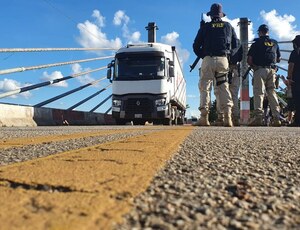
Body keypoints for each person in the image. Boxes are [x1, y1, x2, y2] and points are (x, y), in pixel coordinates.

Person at [193, 3, 238, 127]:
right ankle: (227, 117)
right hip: (223, 59)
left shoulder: (205, 27)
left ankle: (204, 117)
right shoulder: (228, 26)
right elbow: (236, 44)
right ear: (221, 15)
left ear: (211, 15)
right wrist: (229, 55)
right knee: (223, 86)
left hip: (208, 59)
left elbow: (196, 45)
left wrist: (204, 55)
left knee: (205, 87)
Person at [247, 24, 281, 126]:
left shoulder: (256, 43)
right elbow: (278, 59)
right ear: (268, 32)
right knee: (272, 93)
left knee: (259, 93)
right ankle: (277, 118)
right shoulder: (274, 43)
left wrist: (254, 67)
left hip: (260, 70)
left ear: (260, 32)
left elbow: (249, 60)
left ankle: (258, 118)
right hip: (272, 70)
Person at [287, 35, 300, 126]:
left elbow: (291, 65)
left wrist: (289, 77)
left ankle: (297, 120)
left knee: (297, 100)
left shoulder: (295, 52)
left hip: (297, 79)